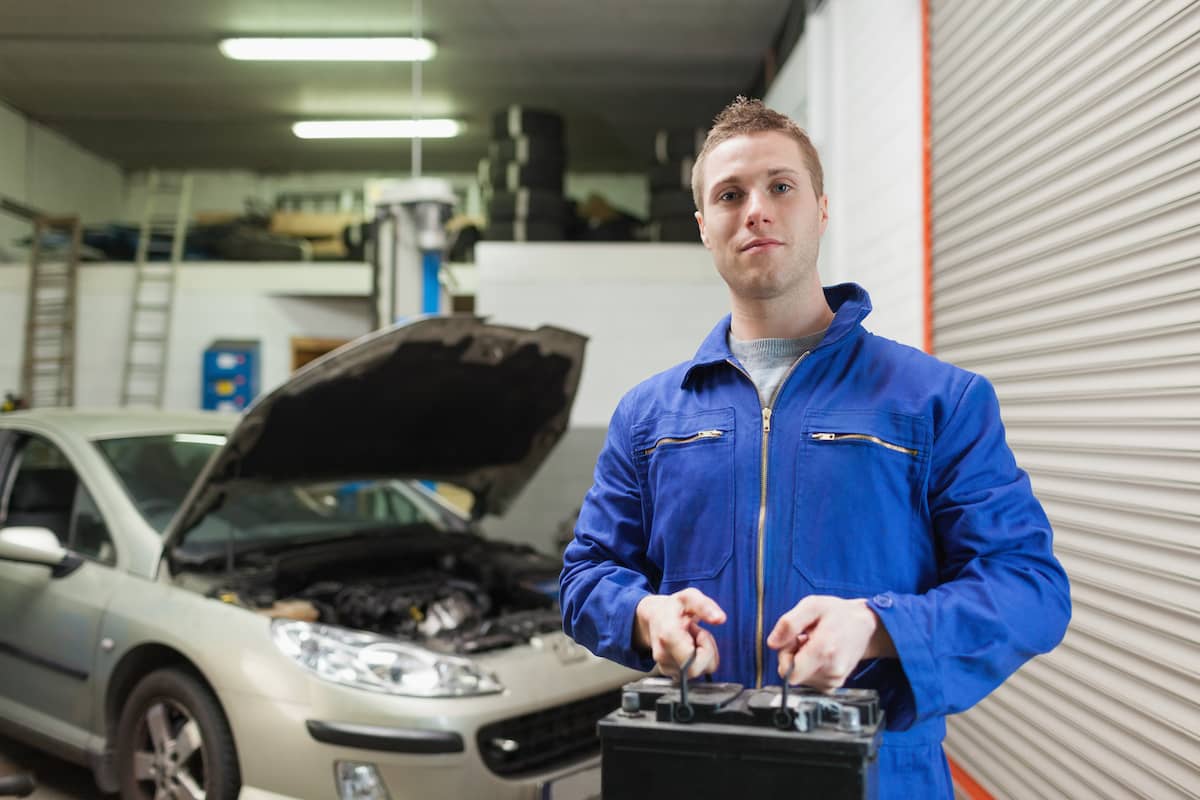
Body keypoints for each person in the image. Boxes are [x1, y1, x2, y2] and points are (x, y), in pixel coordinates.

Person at [559, 97, 1071, 798]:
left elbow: (1030, 589)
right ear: (704, 226)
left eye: (781, 187)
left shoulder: (937, 401)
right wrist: (645, 616)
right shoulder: (650, 415)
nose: (757, 211)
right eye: (730, 195)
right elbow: (587, 576)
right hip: (699, 773)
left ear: (821, 210)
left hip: (878, 774)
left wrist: (877, 626)